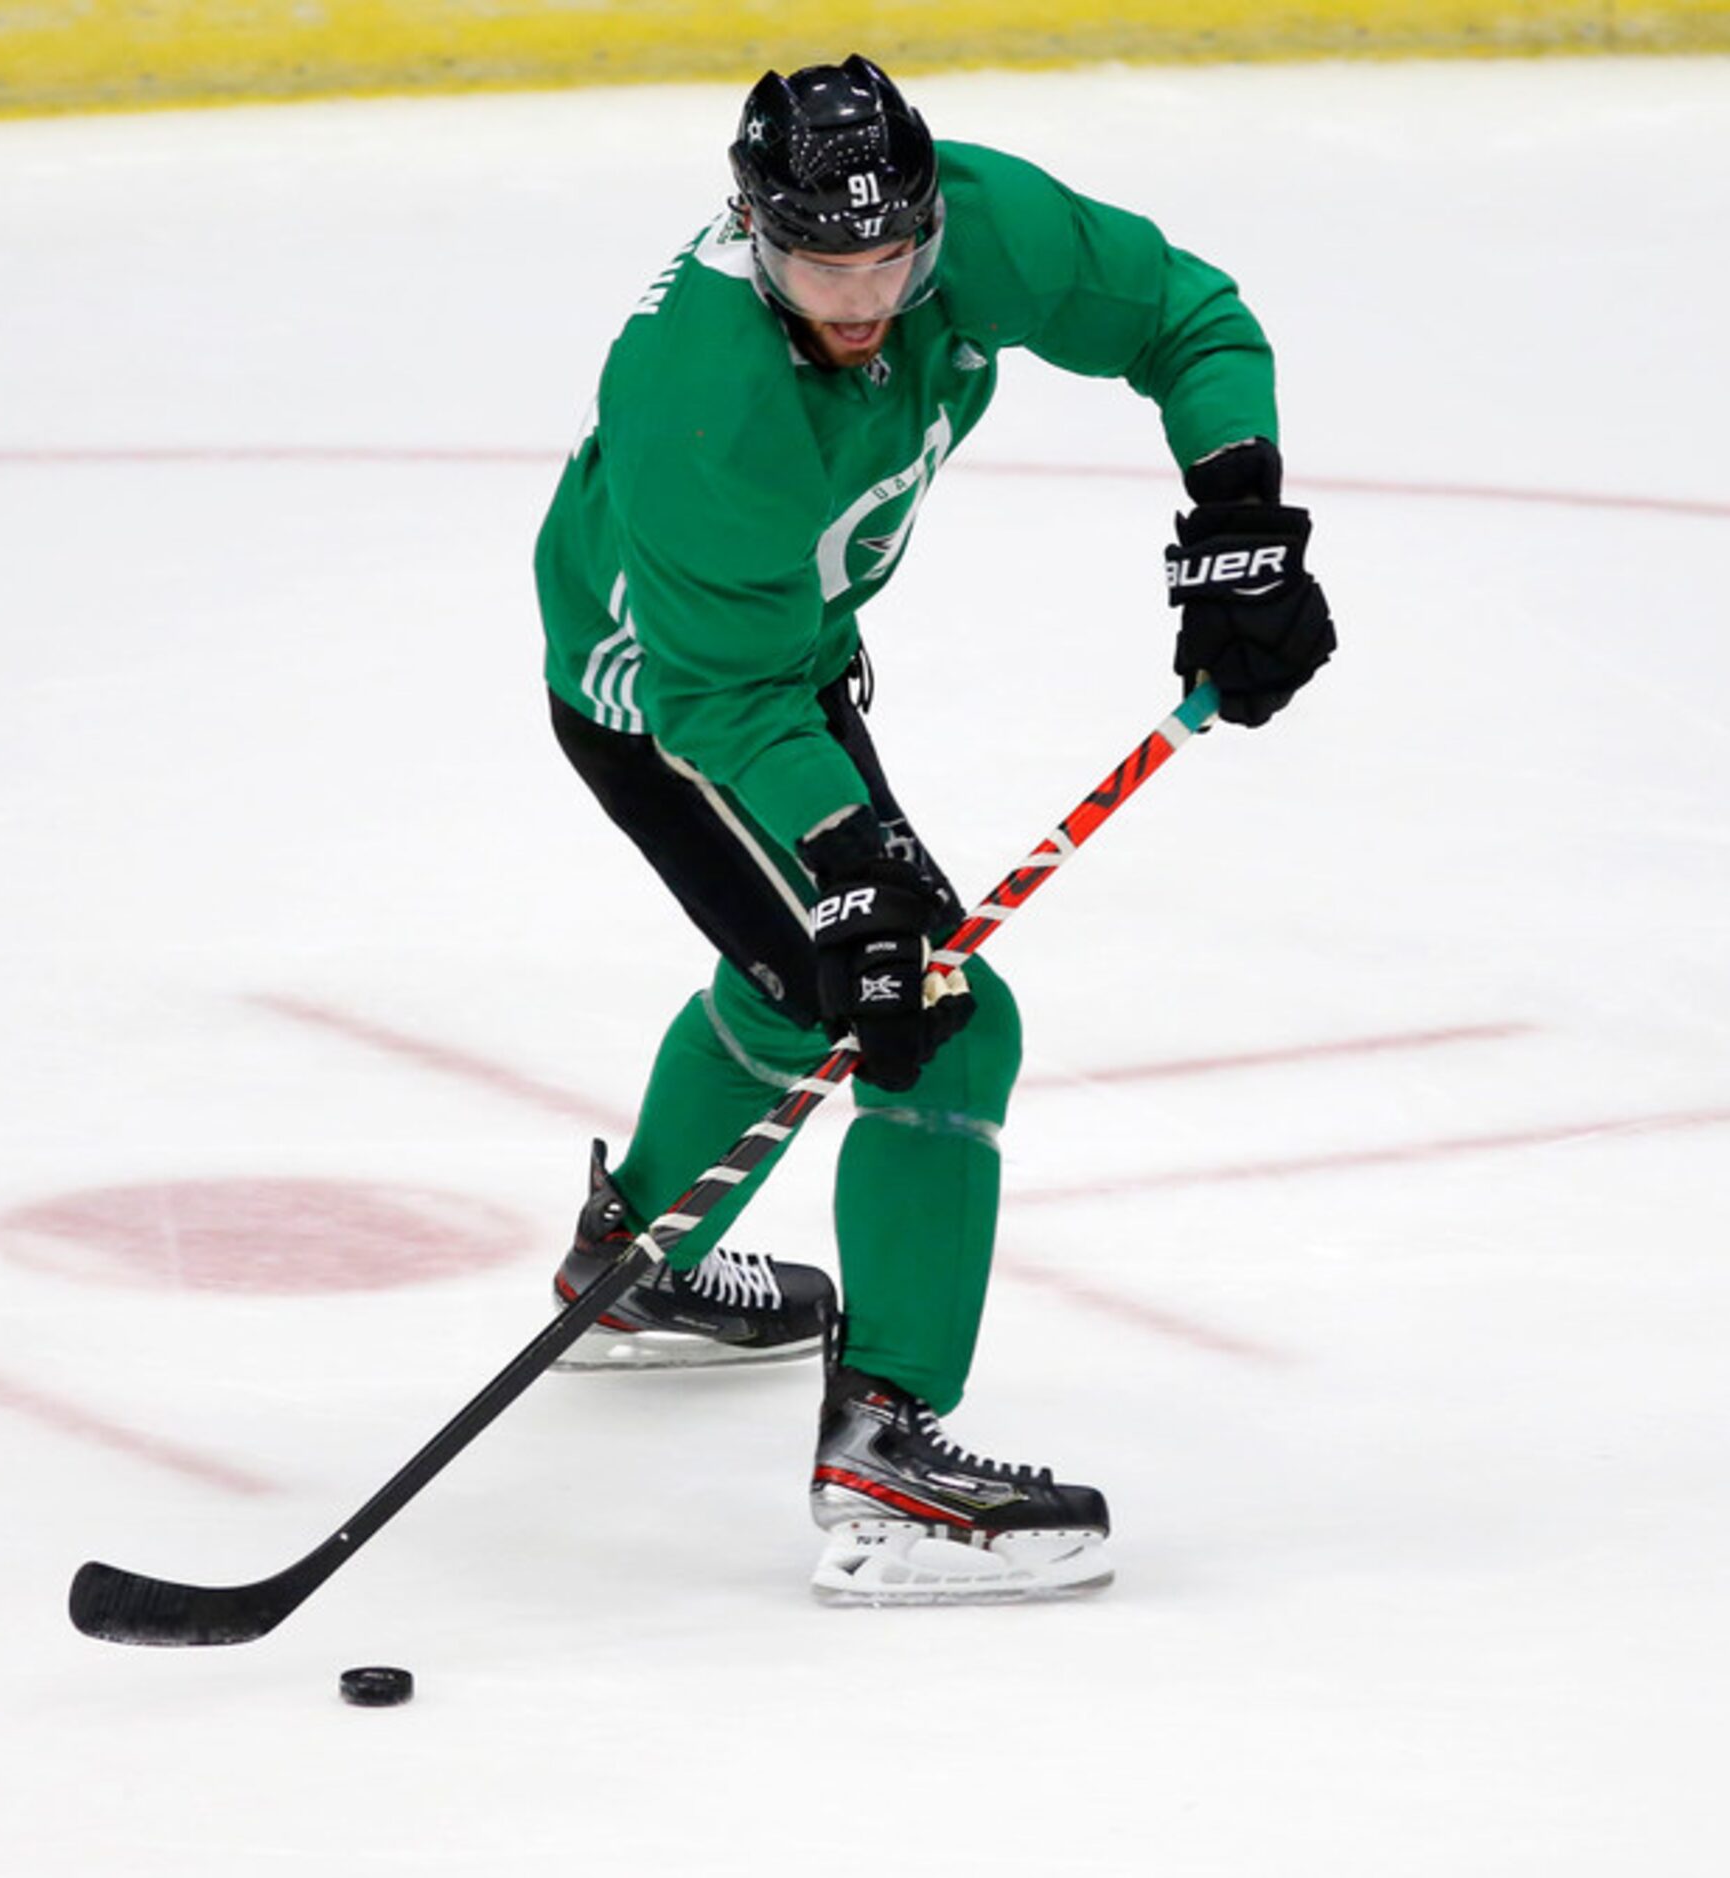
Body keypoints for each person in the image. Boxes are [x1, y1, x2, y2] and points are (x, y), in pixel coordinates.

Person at [530, 57, 1334, 1603]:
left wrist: (1238, 520)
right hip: (670, 702)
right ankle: (886, 1452)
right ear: (750, 227)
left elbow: (1186, 315)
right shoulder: (702, 397)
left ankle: (628, 1270)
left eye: (889, 257)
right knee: (938, 1022)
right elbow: (724, 701)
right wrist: (854, 882)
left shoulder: (969, 224)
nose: (863, 294)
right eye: (823, 264)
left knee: (804, 983)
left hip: (779, 666)